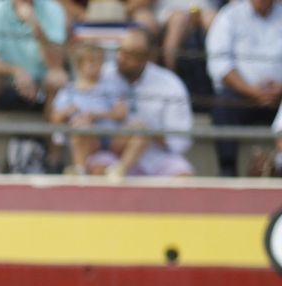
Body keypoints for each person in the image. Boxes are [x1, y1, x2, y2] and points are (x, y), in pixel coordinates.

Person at [89, 27, 193, 179]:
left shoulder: (170, 84)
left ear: (147, 57)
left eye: (130, 54)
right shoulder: (104, 75)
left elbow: (180, 140)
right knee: (98, 168)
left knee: (183, 176)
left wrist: (147, 133)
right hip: (113, 152)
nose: (121, 58)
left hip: (156, 156)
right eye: (121, 51)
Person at [206, 0, 282, 178]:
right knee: (223, 104)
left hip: (280, 97)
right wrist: (250, 90)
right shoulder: (230, 16)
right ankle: (227, 169)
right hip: (241, 95)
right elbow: (219, 63)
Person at [0, 0, 68, 113]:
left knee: (57, 78)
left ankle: (51, 127)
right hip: (6, 80)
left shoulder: (53, 9)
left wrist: (36, 26)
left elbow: (56, 64)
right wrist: (16, 71)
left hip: (41, 82)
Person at [52, 40, 127, 174]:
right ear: (79, 65)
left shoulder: (111, 86)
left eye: (99, 61)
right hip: (86, 142)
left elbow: (121, 112)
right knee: (81, 127)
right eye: (91, 62)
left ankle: (121, 168)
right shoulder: (69, 91)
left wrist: (95, 116)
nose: (96, 66)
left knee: (139, 128)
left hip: (111, 139)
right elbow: (55, 118)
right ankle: (80, 170)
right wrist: (67, 111)